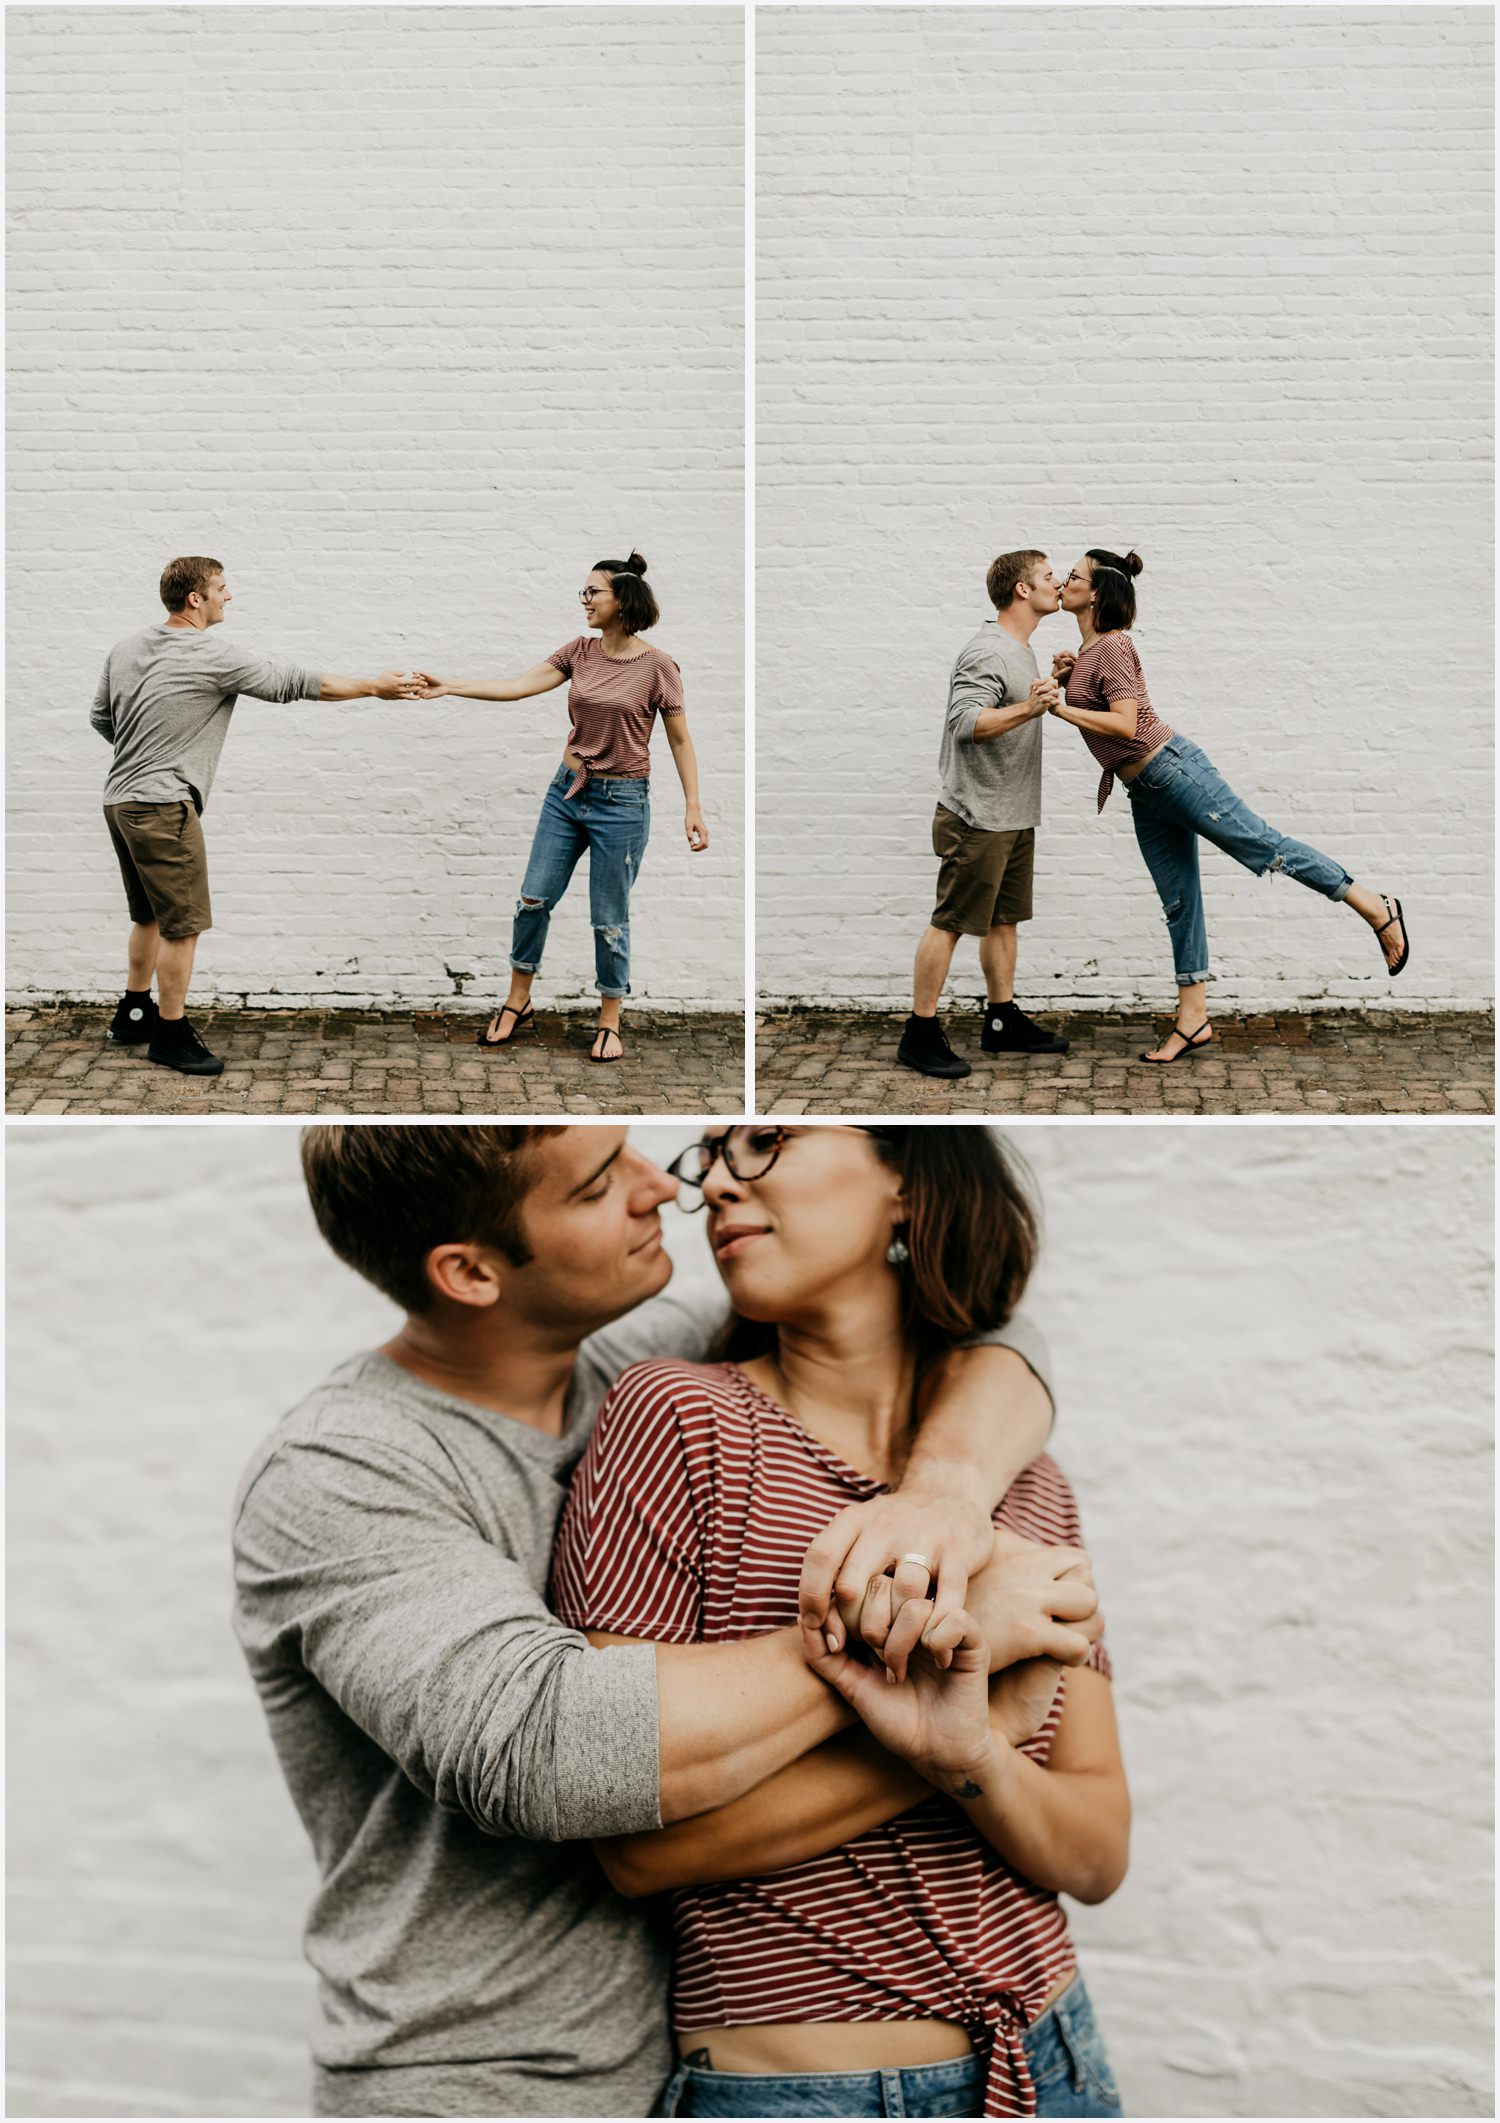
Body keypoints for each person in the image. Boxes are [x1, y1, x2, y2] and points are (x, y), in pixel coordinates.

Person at [233, 1123, 1093, 2118]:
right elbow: (549, 1748)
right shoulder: (340, 1471)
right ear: (470, 1270)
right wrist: (929, 1620)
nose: (666, 1188)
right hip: (487, 2086)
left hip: (701, 2070)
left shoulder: (638, 1353)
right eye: (601, 1185)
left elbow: (992, 1334)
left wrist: (940, 1496)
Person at [552, 1125, 1128, 2121]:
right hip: (800, 2089)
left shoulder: (1028, 1486)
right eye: (713, 1156)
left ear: (906, 1178)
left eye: (765, 1141)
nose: (716, 1183)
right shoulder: (679, 1419)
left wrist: (969, 1751)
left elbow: (1095, 1850)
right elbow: (633, 1846)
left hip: (1052, 2055)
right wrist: (957, 1738)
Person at [1050, 550, 1409, 1065]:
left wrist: (1062, 708)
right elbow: (1104, 708)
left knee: (1264, 847)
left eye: (1074, 576)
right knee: (1179, 901)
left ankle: (1376, 906)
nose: (1064, 582)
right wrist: (1068, 680)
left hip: (1172, 772)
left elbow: (1126, 725)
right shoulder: (1090, 651)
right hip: (1145, 791)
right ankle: (1193, 1020)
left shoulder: (1111, 646)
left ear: (1099, 593)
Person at [91, 556, 416, 1077]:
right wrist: (374, 687)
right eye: (221, 588)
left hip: (120, 800)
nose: (229, 596)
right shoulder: (209, 654)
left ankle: (134, 1013)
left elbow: (100, 717)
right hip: (162, 806)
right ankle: (169, 1034)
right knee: (183, 925)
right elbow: (290, 682)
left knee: (148, 913)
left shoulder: (125, 648)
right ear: (195, 598)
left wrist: (145, 752)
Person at [412, 553, 708, 1064]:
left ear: (624, 601)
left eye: (594, 592)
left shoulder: (660, 667)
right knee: (532, 899)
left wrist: (693, 807)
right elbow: (518, 686)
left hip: (623, 803)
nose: (585, 600)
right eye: (584, 592)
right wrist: (451, 687)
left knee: (609, 920)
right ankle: (518, 1001)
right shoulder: (580, 652)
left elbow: (680, 741)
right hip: (566, 794)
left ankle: (610, 1018)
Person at [898, 551, 1071, 1082]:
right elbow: (966, 723)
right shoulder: (987, 651)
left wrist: (1052, 682)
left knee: (1003, 920)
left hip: (1012, 813)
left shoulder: (1021, 650)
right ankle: (919, 1034)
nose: (1058, 582)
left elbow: (1017, 703)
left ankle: (1001, 1021)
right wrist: (1030, 708)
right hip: (978, 815)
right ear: (1022, 590)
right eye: (1047, 577)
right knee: (950, 922)